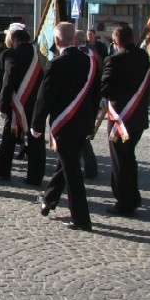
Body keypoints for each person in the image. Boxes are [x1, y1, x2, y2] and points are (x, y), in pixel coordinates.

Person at [32, 22, 100, 232]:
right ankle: (49, 199)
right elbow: (95, 95)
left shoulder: (56, 64)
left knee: (72, 173)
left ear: (58, 40)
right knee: (65, 166)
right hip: (84, 123)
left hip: (65, 124)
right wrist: (92, 121)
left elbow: (45, 98)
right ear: (74, 39)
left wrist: (36, 124)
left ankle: (81, 219)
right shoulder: (91, 62)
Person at [100, 25, 150, 217]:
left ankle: (124, 201)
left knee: (120, 160)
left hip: (121, 118)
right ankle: (133, 196)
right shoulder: (144, 57)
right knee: (129, 158)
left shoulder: (113, 60)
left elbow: (104, 88)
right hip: (138, 116)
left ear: (115, 42)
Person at [0, 24, 45, 185]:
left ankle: (2, 170)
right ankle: (35, 177)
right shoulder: (41, 55)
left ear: (14, 39)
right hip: (37, 104)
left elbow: (8, 83)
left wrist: (2, 106)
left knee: (9, 138)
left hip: (17, 105)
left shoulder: (12, 55)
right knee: (36, 140)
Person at [75, 30, 100, 180]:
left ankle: (89, 168)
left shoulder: (79, 57)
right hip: (92, 102)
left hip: (79, 101)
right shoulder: (95, 55)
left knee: (80, 137)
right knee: (82, 136)